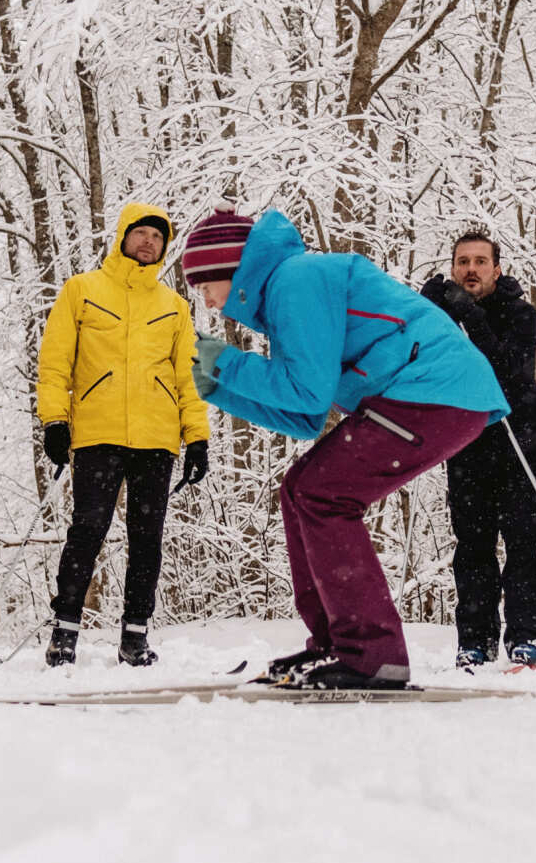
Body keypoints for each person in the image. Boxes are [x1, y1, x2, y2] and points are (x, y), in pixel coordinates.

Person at [181, 207, 508, 690]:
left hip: (435, 391)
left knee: (322, 492)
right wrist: (217, 385)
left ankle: (370, 653)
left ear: (229, 266)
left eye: (205, 286)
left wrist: (226, 363)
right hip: (430, 397)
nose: (207, 303)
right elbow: (306, 417)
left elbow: (305, 394)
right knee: (301, 488)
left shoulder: (297, 280)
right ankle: (338, 644)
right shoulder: (285, 292)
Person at [36, 202, 210, 668]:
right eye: (142, 233)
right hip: (98, 434)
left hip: (157, 438)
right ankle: (65, 632)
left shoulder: (173, 306)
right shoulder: (83, 291)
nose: (150, 242)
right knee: (87, 531)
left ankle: (135, 636)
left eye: (158, 237)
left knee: (147, 538)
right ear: (123, 236)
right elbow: (55, 364)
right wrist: (54, 420)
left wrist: (197, 437)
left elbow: (187, 377)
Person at [420, 231, 536, 670]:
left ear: (497, 269)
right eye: (462, 262)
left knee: (522, 540)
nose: (470, 269)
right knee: (472, 544)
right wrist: (426, 314)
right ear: (453, 267)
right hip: (467, 439)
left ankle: (527, 638)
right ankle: (474, 641)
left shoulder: (521, 314)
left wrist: (464, 313)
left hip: (520, 438)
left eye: (479, 261)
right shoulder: (444, 318)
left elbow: (505, 372)